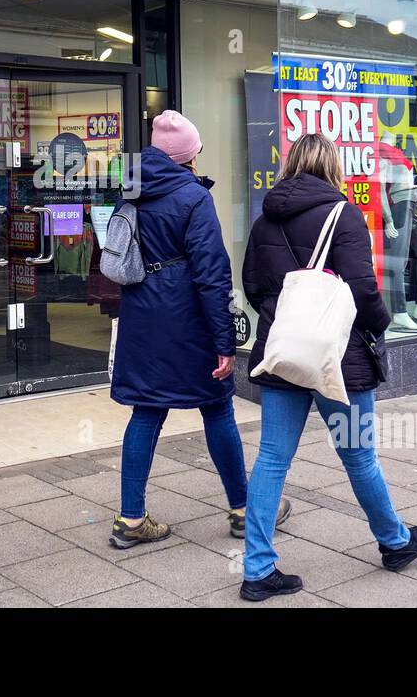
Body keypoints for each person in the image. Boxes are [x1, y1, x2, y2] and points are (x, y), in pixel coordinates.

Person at [239, 133, 417, 600]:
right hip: (340, 360)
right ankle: (395, 543)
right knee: (359, 455)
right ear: (332, 167)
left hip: (283, 355)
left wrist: (285, 318)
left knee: (271, 459)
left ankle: (257, 569)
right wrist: (379, 326)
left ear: (291, 165)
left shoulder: (264, 219)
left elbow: (252, 285)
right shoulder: (342, 213)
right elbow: (364, 291)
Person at [109, 110, 289, 548]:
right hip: (185, 317)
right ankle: (244, 509)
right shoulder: (192, 197)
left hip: (140, 312)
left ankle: (131, 518)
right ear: (188, 155)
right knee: (217, 404)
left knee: (146, 409)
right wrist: (224, 341)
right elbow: (211, 275)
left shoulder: (129, 189)